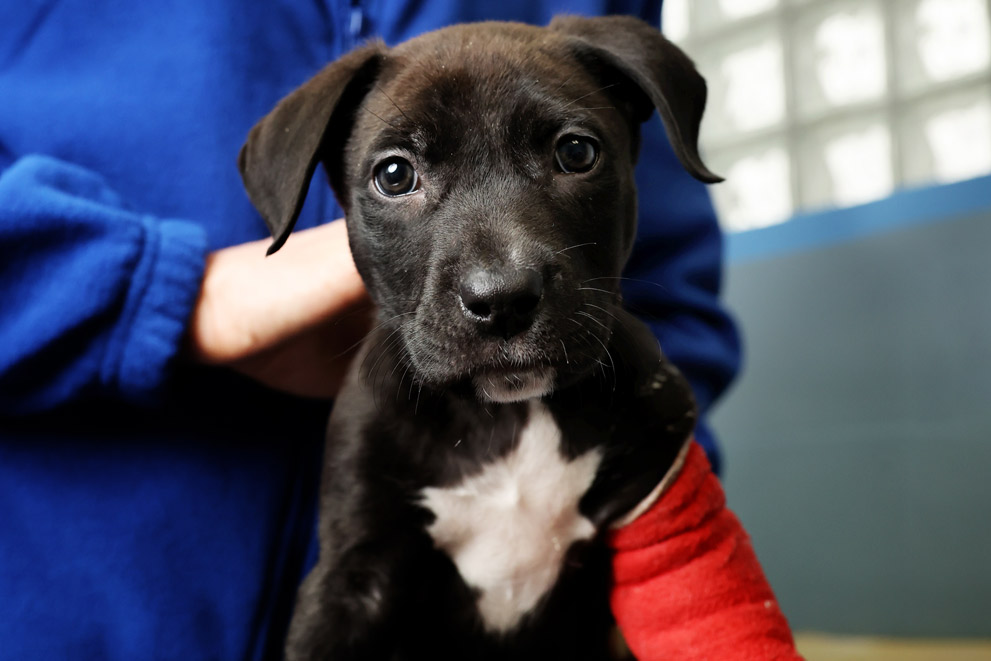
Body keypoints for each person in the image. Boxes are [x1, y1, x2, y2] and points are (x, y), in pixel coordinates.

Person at [0, 1, 743, 659]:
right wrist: (182, 292)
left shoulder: (600, 39)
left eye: (572, 152)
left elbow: (676, 304)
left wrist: (658, 526)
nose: (499, 278)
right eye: (396, 175)